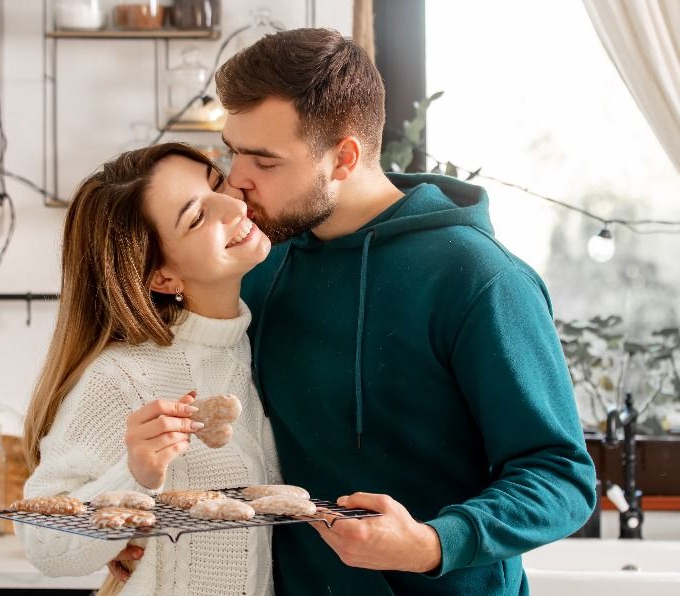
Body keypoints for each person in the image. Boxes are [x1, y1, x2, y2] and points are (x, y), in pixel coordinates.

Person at [210, 27, 597, 595]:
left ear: (344, 157)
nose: (237, 180)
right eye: (233, 151)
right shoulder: (261, 262)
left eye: (264, 161)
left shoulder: (479, 278)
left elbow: (561, 475)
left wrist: (434, 543)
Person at [18, 142, 280, 596]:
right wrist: (134, 477)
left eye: (217, 182)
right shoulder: (121, 377)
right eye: (196, 217)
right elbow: (41, 543)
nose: (233, 205)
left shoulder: (262, 346)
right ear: (163, 277)